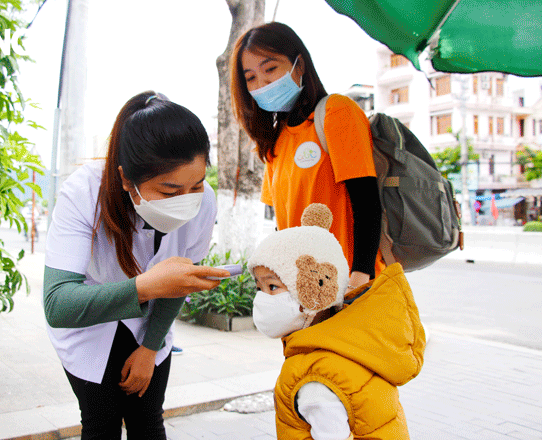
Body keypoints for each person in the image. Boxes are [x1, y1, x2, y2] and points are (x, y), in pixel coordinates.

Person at [42, 91, 230, 440]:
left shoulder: (203, 203)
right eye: (169, 191)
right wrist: (147, 286)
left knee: (147, 420)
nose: (186, 201)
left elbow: (179, 283)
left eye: (197, 185)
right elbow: (58, 304)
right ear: (128, 180)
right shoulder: (84, 192)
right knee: (101, 423)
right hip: (88, 323)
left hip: (149, 325)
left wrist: (151, 347)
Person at [248, 204, 425, 439]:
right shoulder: (350, 344)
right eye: (258, 287)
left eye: (272, 286)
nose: (261, 297)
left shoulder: (313, 378)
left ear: (315, 292)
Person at [230, 22, 384, 291]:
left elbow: (367, 203)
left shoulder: (337, 112)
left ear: (299, 66)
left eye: (270, 69)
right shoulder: (275, 140)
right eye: (250, 77)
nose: (262, 83)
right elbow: (284, 224)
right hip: (303, 292)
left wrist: (360, 277)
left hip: (347, 286)